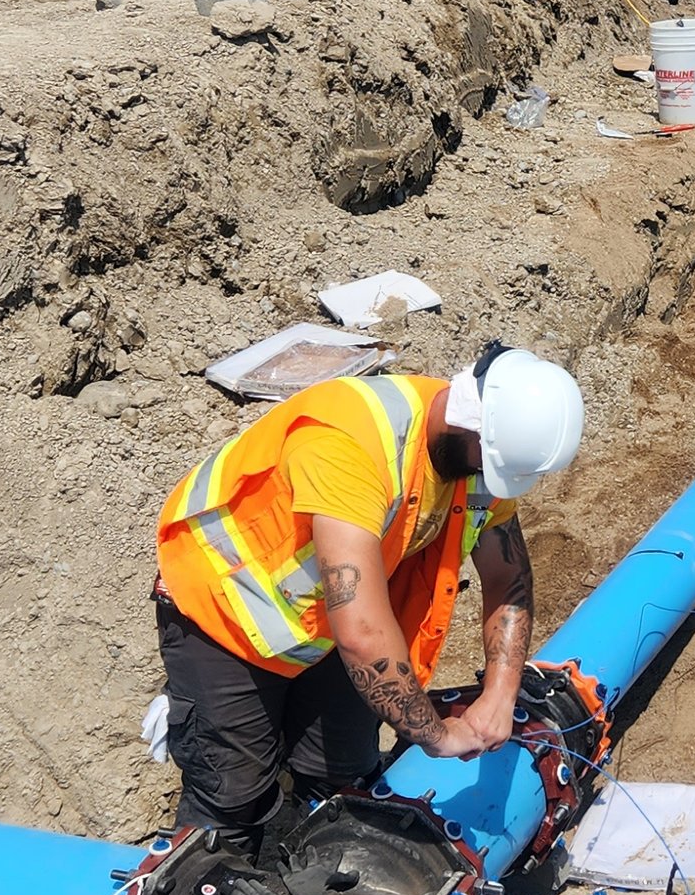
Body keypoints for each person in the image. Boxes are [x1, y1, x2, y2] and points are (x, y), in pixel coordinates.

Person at [152, 344, 585, 851]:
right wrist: (437, 736)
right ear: (472, 422)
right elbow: (361, 636)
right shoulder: (351, 445)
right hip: (224, 612)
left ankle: (304, 860)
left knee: (341, 778)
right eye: (490, 470)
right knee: (232, 797)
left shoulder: (480, 456)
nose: (491, 487)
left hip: (325, 622)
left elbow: (508, 580)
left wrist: (500, 695)